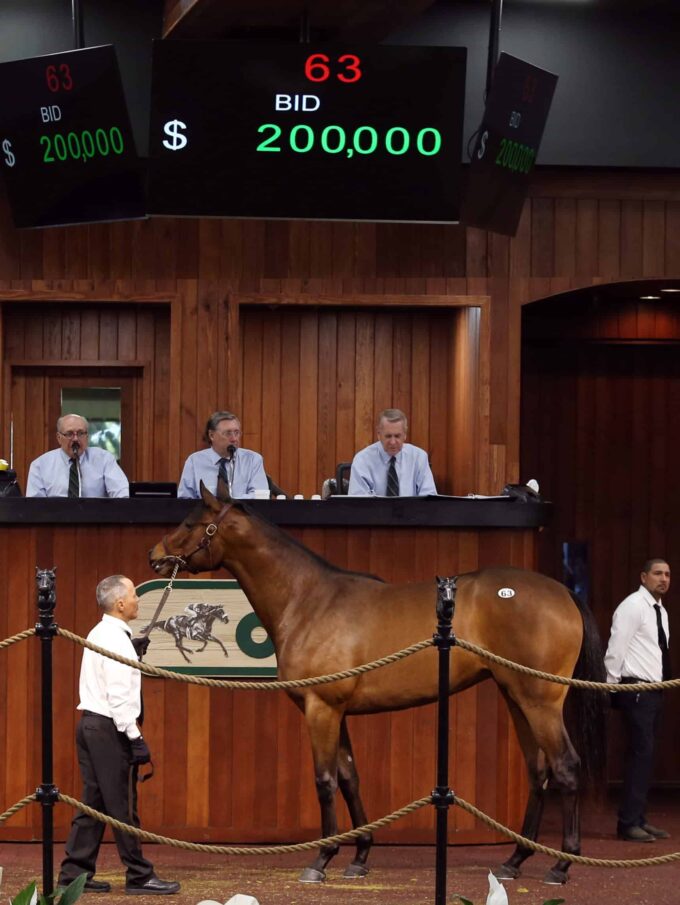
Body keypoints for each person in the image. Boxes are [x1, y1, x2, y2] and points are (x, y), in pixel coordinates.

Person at [58, 575, 180, 895]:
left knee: (94, 803)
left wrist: (132, 655)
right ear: (121, 604)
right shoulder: (115, 640)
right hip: (109, 728)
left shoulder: (103, 633)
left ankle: (74, 874)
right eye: (135, 594)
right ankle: (139, 875)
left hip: (90, 726)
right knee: (123, 804)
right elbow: (118, 695)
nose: (138, 599)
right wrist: (135, 736)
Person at [605, 559, 672, 843]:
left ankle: (638, 817)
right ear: (644, 576)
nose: (664, 579)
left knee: (644, 756)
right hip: (635, 689)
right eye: (658, 573)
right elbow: (616, 646)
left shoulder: (660, 610)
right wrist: (610, 686)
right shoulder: (632, 606)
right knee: (639, 754)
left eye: (668, 574)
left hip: (653, 690)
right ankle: (628, 822)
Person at [26, 414, 128, 498]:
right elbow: (35, 507)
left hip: (95, 520)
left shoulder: (104, 459)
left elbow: (122, 494)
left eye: (80, 433)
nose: (75, 439)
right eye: (69, 434)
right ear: (59, 438)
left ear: (87, 436)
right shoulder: (40, 465)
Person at [178, 410, 268, 499]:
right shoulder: (194, 461)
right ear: (211, 435)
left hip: (242, 512)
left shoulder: (252, 460)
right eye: (228, 433)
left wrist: (230, 503)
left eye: (237, 433)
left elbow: (260, 495)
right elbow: (185, 500)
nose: (234, 439)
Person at [348, 408, 437, 497]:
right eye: (388, 436)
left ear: (405, 435)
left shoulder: (419, 457)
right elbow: (358, 502)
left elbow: (429, 497)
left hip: (411, 510)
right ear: (379, 434)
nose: (393, 442)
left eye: (397, 436)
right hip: (375, 510)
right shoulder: (362, 460)